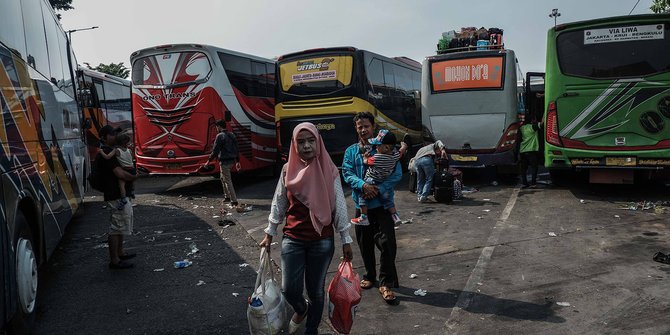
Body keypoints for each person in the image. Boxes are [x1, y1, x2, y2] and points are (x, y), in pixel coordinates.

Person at [259, 122, 353, 335]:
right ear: (294, 145)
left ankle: (311, 330)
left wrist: (345, 238)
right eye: (301, 142)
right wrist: (269, 233)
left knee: (316, 291)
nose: (307, 146)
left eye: (311, 141)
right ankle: (302, 309)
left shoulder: (329, 169)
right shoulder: (287, 170)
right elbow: (279, 202)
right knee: (289, 289)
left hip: (322, 239)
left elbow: (339, 205)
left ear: (318, 142)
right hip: (293, 238)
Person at [342, 112, 402, 305]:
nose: (363, 130)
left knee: (388, 244)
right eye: (359, 127)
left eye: (366, 126)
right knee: (364, 242)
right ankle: (369, 275)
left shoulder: (386, 148)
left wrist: (379, 189)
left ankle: (386, 283)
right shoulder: (351, 151)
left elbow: (397, 173)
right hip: (362, 207)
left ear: (373, 126)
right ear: (356, 129)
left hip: (382, 205)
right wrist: (363, 186)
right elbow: (347, 173)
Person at [96, 125, 138, 269]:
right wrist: (134, 176)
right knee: (116, 227)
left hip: (120, 194)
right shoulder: (107, 153)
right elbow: (120, 174)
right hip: (114, 194)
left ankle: (120, 253)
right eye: (112, 134)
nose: (115, 136)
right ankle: (114, 260)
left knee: (121, 225)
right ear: (103, 137)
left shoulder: (115, 150)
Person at [351, 129, 408, 226]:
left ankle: (364, 217)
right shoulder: (394, 156)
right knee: (388, 200)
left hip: (371, 180)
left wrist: (365, 157)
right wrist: (404, 146)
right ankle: (395, 216)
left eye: (378, 145)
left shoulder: (377, 157)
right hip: (383, 180)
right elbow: (401, 151)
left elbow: (366, 162)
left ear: (386, 147)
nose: (376, 147)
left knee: (362, 197)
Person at [204, 120, 242, 211]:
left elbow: (215, 151)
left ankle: (234, 200)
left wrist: (208, 161)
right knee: (222, 178)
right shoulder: (232, 135)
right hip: (232, 161)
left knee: (227, 180)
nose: (217, 128)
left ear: (219, 126)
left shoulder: (220, 136)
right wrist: (237, 161)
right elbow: (237, 148)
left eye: (217, 127)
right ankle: (227, 197)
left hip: (224, 162)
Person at [98, 132, 135, 209]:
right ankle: (132, 192)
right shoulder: (129, 150)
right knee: (130, 181)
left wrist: (101, 152)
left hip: (124, 170)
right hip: (132, 169)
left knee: (121, 186)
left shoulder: (116, 150)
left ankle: (123, 199)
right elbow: (131, 159)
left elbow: (107, 157)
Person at [519, 116, 542, 188]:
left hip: (523, 150)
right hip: (531, 150)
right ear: (532, 120)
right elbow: (542, 124)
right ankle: (533, 183)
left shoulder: (521, 128)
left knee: (523, 169)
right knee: (534, 167)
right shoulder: (532, 127)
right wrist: (545, 114)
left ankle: (524, 183)